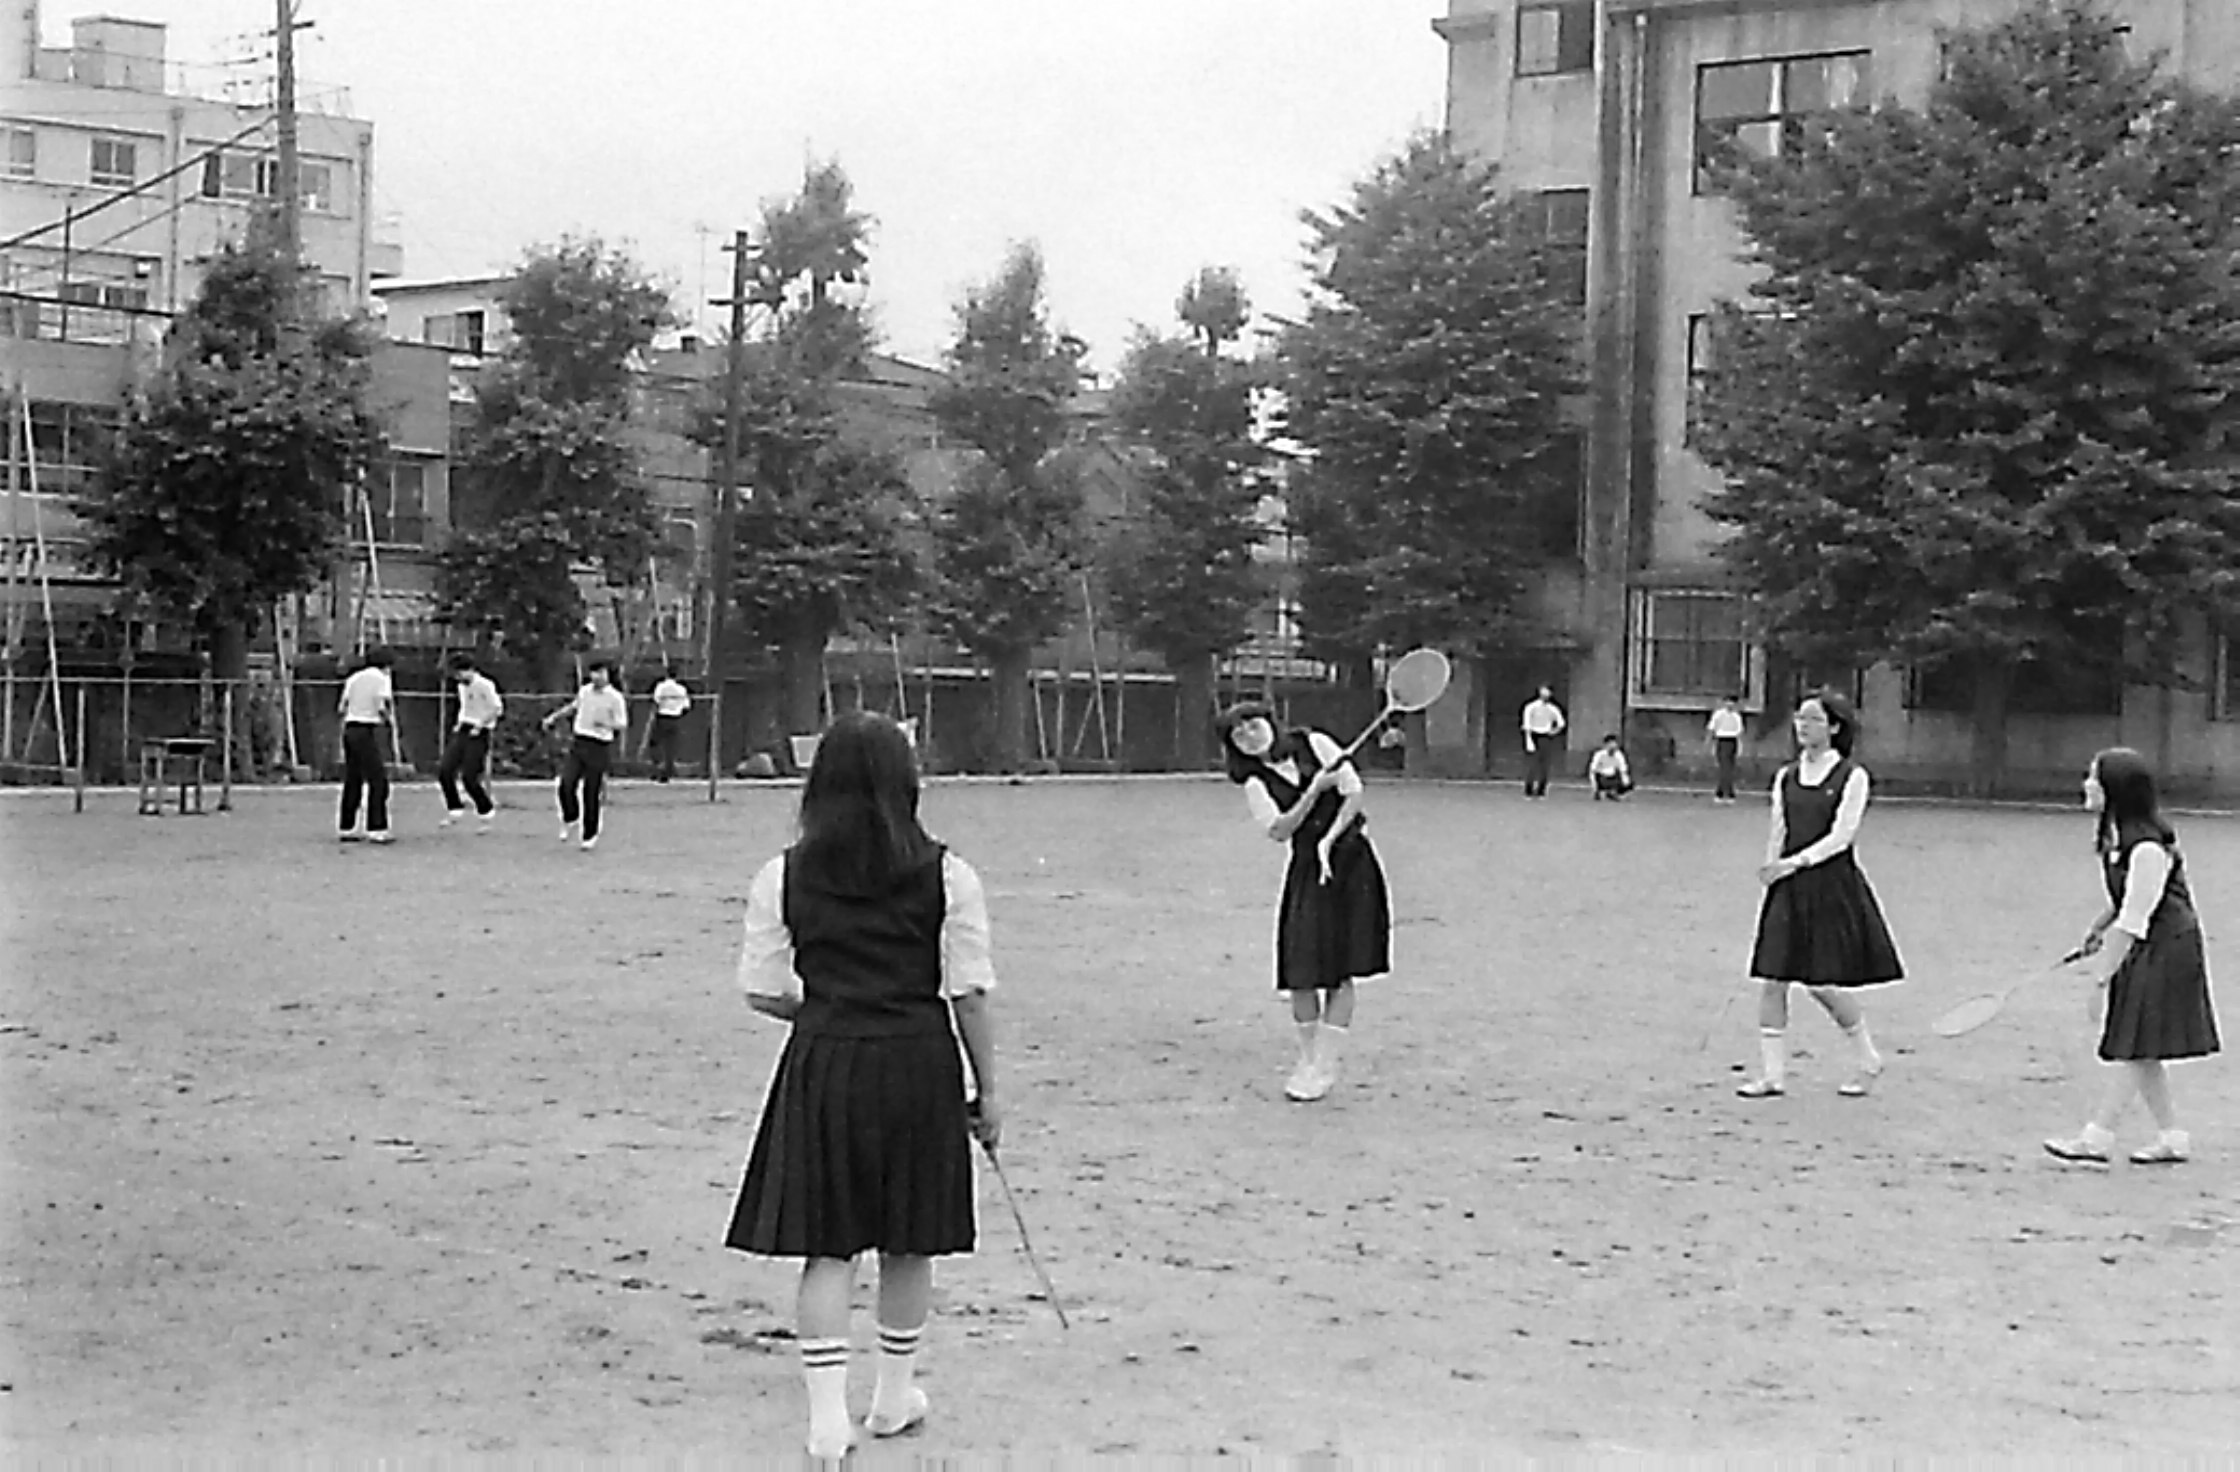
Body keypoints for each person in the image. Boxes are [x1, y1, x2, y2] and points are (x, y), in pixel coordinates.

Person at [724, 711, 1001, 1459]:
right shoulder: (950, 874)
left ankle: (825, 1421)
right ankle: (891, 1398)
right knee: (910, 1238)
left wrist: (824, 1014)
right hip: (918, 1061)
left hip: (824, 1060)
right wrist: (990, 1090)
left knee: (827, 1245)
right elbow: (969, 992)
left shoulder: (781, 874)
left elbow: (760, 988)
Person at [2044, 748, 2219, 1166]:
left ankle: (2097, 1138)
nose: (2086, 785)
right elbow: (2126, 902)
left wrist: (2100, 979)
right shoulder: (2117, 840)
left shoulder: (2147, 848)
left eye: (2094, 777)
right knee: (2143, 1046)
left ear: (2115, 789)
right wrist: (2098, 927)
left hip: (2170, 949)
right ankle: (2172, 1138)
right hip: (2149, 945)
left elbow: (2136, 918)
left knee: (2137, 1046)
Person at [1216, 701, 1392, 1103]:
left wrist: (1331, 838)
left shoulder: (1316, 743)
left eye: (1253, 725)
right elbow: (1280, 829)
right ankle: (1310, 1060)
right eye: (1238, 735)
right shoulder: (1255, 783)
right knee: (1302, 972)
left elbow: (1353, 793)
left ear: (1269, 722)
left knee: (1342, 971)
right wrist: (1313, 791)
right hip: (1307, 871)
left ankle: (1324, 1064)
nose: (1249, 736)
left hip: (1351, 864)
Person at [1736, 690, 1903, 1098]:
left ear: (1834, 726)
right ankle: (1772, 1075)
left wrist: (1796, 863)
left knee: (1822, 983)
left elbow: (1842, 836)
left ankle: (1868, 1058)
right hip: (1788, 885)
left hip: (1830, 885)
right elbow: (1779, 828)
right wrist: (1772, 866)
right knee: (1773, 978)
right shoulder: (1786, 776)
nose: (1803, 726)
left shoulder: (1852, 776)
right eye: (1799, 718)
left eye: (1813, 719)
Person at [543, 659, 629, 852]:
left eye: (601, 672)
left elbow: (622, 723)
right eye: (594, 672)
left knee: (591, 791)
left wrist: (605, 724)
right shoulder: (585, 691)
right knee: (566, 783)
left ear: (608, 675)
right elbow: (574, 706)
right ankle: (570, 816)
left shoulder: (615, 698)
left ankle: (590, 834)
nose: (597, 676)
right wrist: (553, 717)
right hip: (580, 742)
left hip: (599, 745)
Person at [335, 647, 396, 844]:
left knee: (353, 778)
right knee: (378, 780)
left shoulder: (354, 678)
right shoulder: (381, 679)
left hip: (350, 728)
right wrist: (389, 721)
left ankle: (347, 826)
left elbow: (342, 707)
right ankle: (377, 828)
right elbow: (381, 705)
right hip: (367, 729)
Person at [437, 652, 503, 831]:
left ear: (469, 670)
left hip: (480, 731)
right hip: (464, 728)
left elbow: (497, 708)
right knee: (445, 770)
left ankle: (486, 812)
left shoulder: (485, 685)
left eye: (459, 673)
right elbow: (466, 707)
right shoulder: (462, 687)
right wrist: (459, 724)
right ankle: (454, 808)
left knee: (470, 777)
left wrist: (480, 725)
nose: (457, 677)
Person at [1520, 685, 1565, 798]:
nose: (1545, 695)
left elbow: (1561, 723)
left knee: (1544, 765)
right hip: (1533, 734)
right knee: (1532, 764)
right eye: (1543, 692)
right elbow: (1527, 724)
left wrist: (1553, 732)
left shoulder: (1552, 708)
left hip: (1545, 736)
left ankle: (1541, 789)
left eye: (1547, 692)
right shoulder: (1531, 707)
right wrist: (1528, 740)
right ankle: (1528, 789)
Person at [648, 668, 691, 783]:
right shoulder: (681, 689)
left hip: (662, 717)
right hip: (675, 719)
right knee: (670, 747)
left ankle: (657, 770)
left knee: (655, 744)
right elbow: (686, 706)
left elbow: (656, 700)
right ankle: (668, 772)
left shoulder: (661, 686)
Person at [1706, 694, 1745, 803]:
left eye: (1732, 702)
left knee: (1729, 768)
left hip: (1732, 740)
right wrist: (1710, 743)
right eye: (1728, 701)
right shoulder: (1719, 715)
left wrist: (1740, 746)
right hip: (1722, 740)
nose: (1730, 704)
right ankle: (1725, 792)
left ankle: (1724, 792)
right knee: (1724, 768)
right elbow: (1712, 728)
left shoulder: (1736, 716)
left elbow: (1739, 732)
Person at [1587, 734, 1634, 800]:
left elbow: (1623, 771)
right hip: (1602, 779)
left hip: (1614, 779)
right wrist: (1594, 786)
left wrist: (1626, 785)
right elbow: (1592, 771)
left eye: (1614, 743)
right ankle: (1601, 793)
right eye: (1611, 743)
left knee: (1630, 785)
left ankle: (1614, 793)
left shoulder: (1619, 755)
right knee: (1598, 776)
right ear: (1606, 744)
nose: (1613, 745)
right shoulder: (1599, 755)